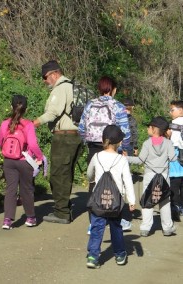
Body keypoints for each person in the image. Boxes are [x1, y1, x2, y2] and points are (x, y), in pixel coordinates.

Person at [78, 76, 132, 232]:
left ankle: (93, 222)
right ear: (113, 89)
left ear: (99, 89)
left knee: (94, 182)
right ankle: (117, 216)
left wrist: (86, 142)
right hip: (113, 147)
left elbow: (81, 128)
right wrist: (124, 148)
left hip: (94, 147)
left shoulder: (90, 104)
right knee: (116, 181)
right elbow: (125, 131)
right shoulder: (118, 106)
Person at [33, 60, 83, 224]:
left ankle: (61, 213)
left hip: (64, 137)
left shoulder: (60, 89)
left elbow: (52, 113)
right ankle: (65, 208)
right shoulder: (72, 86)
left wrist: (32, 124)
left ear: (54, 74)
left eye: (45, 77)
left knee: (58, 174)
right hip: (77, 136)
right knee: (67, 173)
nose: (44, 81)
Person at [86, 125, 135, 268]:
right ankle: (120, 255)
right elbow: (128, 181)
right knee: (116, 227)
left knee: (96, 227)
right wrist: (131, 200)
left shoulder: (96, 156)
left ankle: (93, 256)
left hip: (99, 200)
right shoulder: (122, 160)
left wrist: (91, 180)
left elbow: (90, 173)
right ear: (119, 142)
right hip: (115, 200)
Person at [0, 95, 44, 229]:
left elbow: (0, 141)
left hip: (8, 161)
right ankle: (30, 217)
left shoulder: (5, 123)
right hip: (24, 160)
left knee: (10, 189)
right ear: (26, 108)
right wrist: (40, 157)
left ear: (11, 106)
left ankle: (7, 220)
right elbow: (33, 144)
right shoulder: (28, 124)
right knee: (26, 190)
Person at [128, 116, 177, 237]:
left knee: (147, 201)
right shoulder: (168, 143)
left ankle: (145, 228)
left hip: (150, 175)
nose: (147, 129)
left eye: (149, 127)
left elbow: (140, 160)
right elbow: (173, 158)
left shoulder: (147, 143)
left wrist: (126, 158)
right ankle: (167, 227)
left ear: (155, 129)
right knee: (164, 201)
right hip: (164, 176)